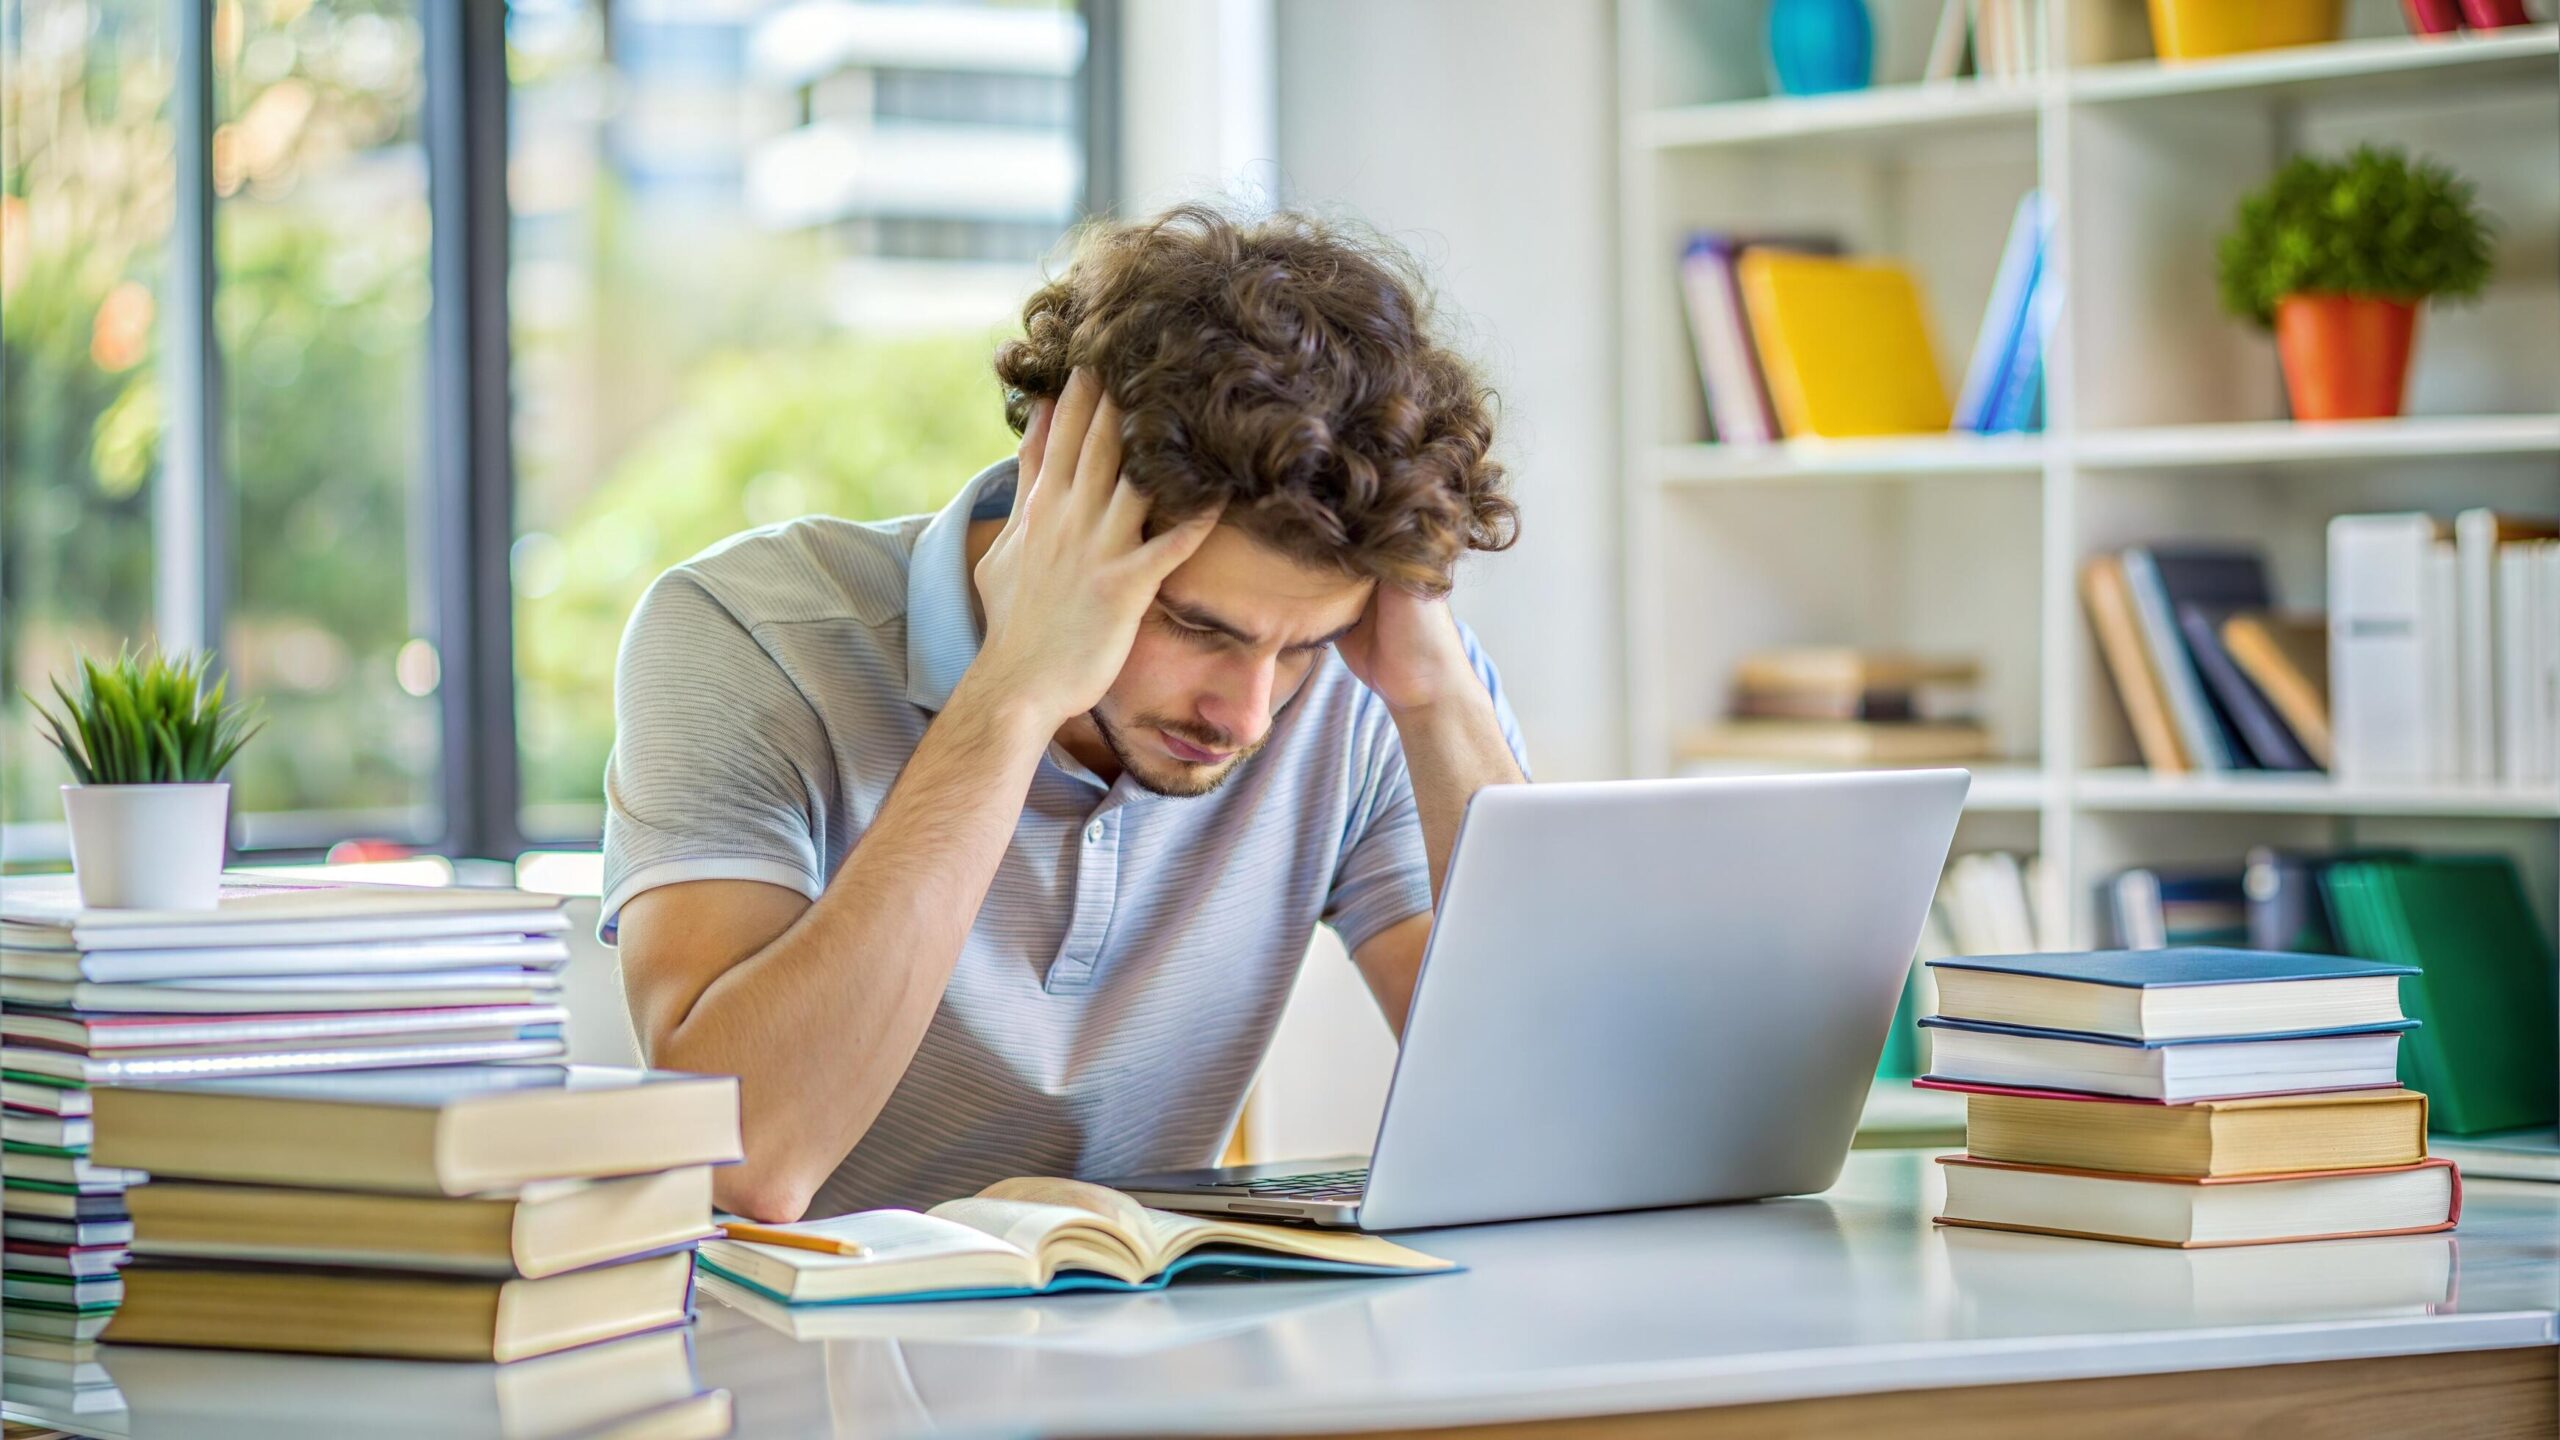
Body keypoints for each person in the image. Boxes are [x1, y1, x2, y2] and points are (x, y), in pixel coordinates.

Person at [603, 204, 1529, 1221]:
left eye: (1300, 649)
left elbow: (1557, 1123)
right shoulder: (750, 634)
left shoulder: (1374, 679)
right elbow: (745, 1163)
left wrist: (1438, 700)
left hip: (1139, 1354)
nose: (1248, 713)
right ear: (1055, 499)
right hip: (775, 1360)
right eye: (1196, 625)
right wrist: (1011, 694)